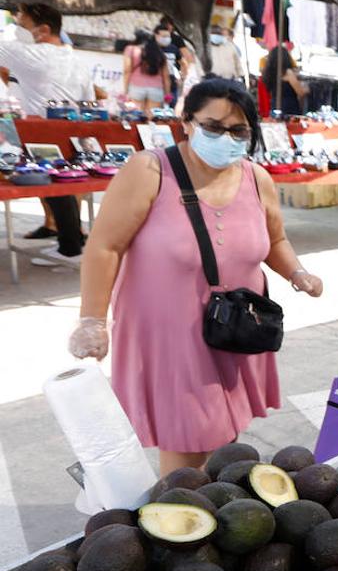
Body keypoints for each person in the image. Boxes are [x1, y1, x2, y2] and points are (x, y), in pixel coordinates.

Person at [66, 78, 323, 476]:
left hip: (235, 329)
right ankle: (182, 520)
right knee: (189, 444)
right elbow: (104, 247)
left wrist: (298, 272)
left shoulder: (257, 178)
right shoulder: (149, 169)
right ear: (186, 122)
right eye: (214, 126)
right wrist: (92, 320)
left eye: (238, 130)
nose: (226, 138)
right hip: (170, 337)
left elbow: (275, 240)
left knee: (224, 436)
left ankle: (214, 514)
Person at [0, 3, 95, 267]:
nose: (18, 29)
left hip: (43, 135)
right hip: (74, 133)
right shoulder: (78, 60)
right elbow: (88, 100)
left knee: (57, 190)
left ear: (43, 30)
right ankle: (71, 243)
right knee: (62, 189)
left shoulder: (34, 54)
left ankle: (70, 248)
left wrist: (9, 30)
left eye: (22, 24)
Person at [122, 29, 170, 113]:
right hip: (156, 89)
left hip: (136, 87)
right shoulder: (160, 52)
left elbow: (127, 70)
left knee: (136, 118)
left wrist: (125, 90)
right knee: (152, 118)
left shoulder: (131, 49)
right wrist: (167, 94)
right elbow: (166, 77)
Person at [261, 45, 307, 116]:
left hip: (275, 105)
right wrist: (308, 89)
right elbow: (300, 92)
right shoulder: (287, 72)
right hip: (289, 108)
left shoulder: (269, 73)